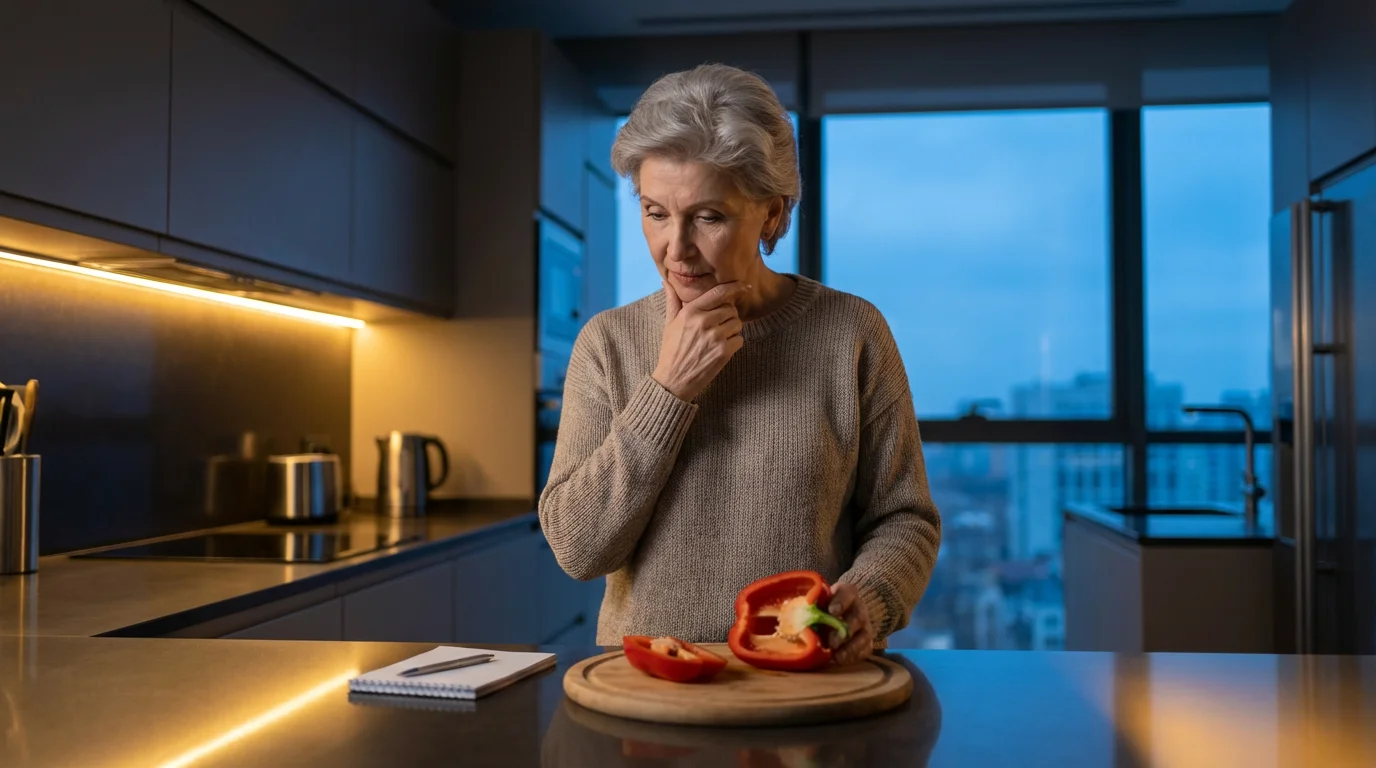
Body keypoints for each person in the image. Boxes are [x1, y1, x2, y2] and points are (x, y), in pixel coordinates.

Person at [537, 63, 941, 664]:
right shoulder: (608, 343)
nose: (675, 249)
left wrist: (874, 593)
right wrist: (668, 390)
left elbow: (904, 517)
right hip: (651, 690)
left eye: (709, 217)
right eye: (655, 213)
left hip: (807, 680)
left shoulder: (852, 332)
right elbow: (578, 549)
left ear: (773, 214)